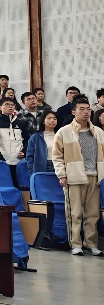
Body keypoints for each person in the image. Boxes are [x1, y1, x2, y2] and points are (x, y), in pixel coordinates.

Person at [52, 96, 104, 256]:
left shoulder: (99, 132)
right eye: (82, 109)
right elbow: (57, 156)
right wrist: (62, 174)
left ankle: (91, 244)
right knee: (74, 213)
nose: (86, 112)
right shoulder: (64, 132)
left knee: (93, 213)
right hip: (74, 177)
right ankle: (75, 244)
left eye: (88, 109)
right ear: (73, 112)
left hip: (95, 176)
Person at [0, 96, 30, 166]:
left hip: (19, 161)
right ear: (0, 107)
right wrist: (0, 158)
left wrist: (24, 151)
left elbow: (27, 139)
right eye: (7, 104)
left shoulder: (20, 123)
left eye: (12, 105)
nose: (10, 106)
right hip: (1, 161)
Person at [25, 110, 59, 174]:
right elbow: (29, 156)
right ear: (43, 121)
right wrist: (32, 171)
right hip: (42, 167)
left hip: (58, 166)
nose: (52, 120)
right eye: (49, 118)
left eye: (55, 119)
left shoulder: (60, 136)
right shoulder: (35, 137)